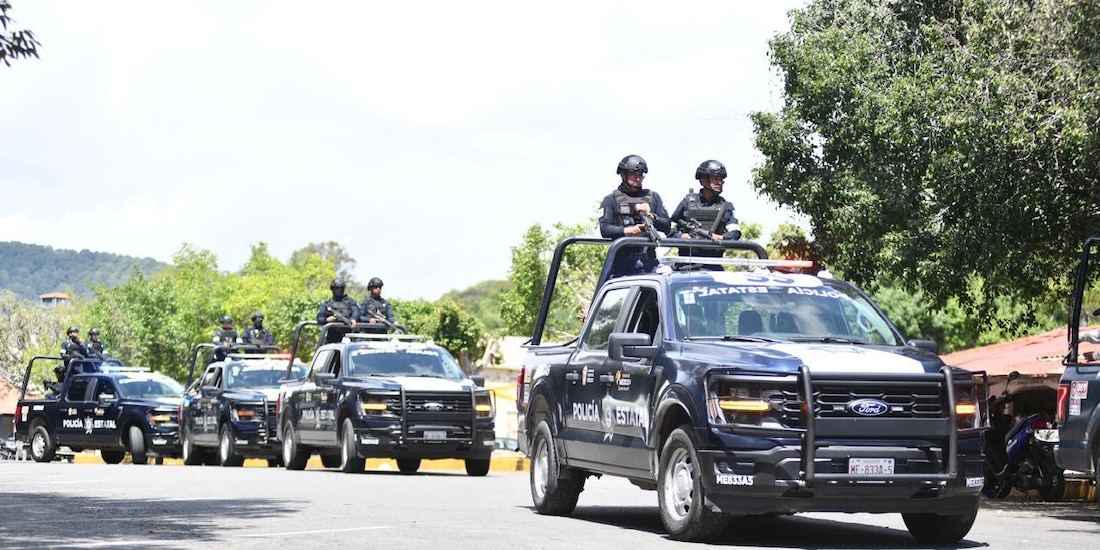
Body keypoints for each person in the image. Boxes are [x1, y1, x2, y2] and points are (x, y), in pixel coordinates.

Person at [598, 154, 671, 278]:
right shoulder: (610, 200)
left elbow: (667, 225)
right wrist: (629, 231)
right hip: (622, 264)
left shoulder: (653, 197)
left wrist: (650, 216)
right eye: (633, 174)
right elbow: (604, 229)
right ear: (623, 175)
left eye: (640, 175)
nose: (637, 178)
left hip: (649, 262)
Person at [669, 159, 742, 271]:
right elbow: (670, 228)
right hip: (686, 267)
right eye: (716, 178)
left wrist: (720, 237)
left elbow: (735, 233)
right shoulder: (687, 202)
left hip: (713, 266)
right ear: (703, 180)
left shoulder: (725, 206)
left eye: (722, 179)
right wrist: (681, 237)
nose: (720, 182)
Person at [317, 278, 358, 343]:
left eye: (341, 288)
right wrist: (327, 320)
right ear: (333, 289)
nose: (339, 290)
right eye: (337, 288)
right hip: (333, 336)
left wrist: (354, 319)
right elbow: (319, 319)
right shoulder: (327, 304)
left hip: (349, 334)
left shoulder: (350, 302)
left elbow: (356, 311)